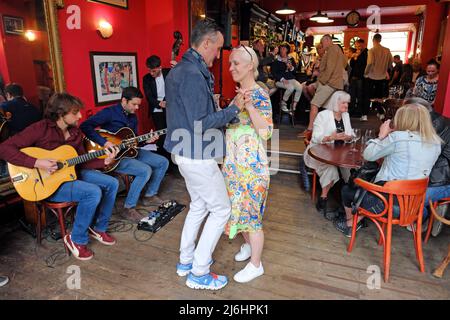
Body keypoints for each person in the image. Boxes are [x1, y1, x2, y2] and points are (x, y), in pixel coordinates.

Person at [164, 19, 243, 290]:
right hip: (196, 154)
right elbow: (200, 123)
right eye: (218, 48)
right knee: (221, 210)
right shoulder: (191, 74)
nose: (219, 55)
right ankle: (199, 271)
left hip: (184, 153)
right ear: (206, 43)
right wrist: (232, 109)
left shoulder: (182, 69)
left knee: (199, 205)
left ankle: (186, 261)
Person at [0, 93, 120, 260]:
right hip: (47, 183)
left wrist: (105, 162)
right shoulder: (40, 128)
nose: (80, 115)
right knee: (92, 192)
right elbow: (4, 148)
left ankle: (98, 228)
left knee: (112, 183)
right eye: (75, 112)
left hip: (72, 174)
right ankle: (76, 238)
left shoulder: (75, 133)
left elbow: (82, 162)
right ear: (60, 113)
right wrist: (36, 162)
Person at [334, 104, 442, 237]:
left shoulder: (398, 138)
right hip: (413, 206)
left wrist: (381, 135)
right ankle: (356, 220)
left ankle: (351, 225)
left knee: (347, 190)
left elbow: (368, 155)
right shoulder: (435, 142)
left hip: (387, 204)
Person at [80, 87, 169, 222]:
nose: (137, 108)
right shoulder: (109, 113)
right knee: (145, 170)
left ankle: (149, 195)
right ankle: (128, 208)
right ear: (124, 101)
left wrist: (146, 140)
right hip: (114, 157)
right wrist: (104, 143)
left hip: (130, 152)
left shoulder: (132, 117)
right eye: (134, 104)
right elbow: (85, 126)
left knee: (163, 162)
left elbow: (134, 141)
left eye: (138, 104)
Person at [224, 45, 273, 283]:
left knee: (251, 217)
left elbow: (265, 133)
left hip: (252, 169)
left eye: (236, 63)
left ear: (250, 66)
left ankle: (256, 264)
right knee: (238, 211)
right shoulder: (238, 92)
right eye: (230, 63)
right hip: (234, 166)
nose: (231, 67)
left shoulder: (260, 95)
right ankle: (247, 248)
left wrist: (251, 106)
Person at [404, 97, 450, 236]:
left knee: (411, 198)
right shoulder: (429, 120)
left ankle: (425, 214)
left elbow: (422, 156)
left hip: (442, 178)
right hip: (432, 173)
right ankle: (425, 210)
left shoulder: (434, 126)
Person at [303, 91, 353, 216]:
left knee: (349, 169)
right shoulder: (323, 115)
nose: (346, 105)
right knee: (331, 169)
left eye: (347, 103)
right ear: (336, 103)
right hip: (319, 152)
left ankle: (348, 200)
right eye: (343, 103)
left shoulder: (345, 115)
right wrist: (331, 137)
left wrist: (348, 137)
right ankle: (323, 197)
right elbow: (315, 138)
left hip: (339, 152)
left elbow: (351, 133)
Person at [303, 35, 347, 134]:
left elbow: (330, 68)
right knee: (328, 107)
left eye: (322, 42)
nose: (322, 45)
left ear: (327, 40)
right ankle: (323, 129)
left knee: (314, 104)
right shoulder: (338, 50)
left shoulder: (331, 49)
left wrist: (322, 81)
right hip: (336, 83)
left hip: (329, 83)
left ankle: (310, 130)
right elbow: (344, 64)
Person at [142, 55, 173, 170]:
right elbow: (148, 96)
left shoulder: (169, 72)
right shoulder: (146, 78)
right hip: (157, 109)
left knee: (172, 134)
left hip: (170, 108)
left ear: (160, 67)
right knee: (162, 135)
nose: (151, 73)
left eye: (153, 71)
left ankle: (172, 161)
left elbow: (176, 88)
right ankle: (164, 162)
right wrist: (159, 103)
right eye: (149, 70)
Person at [362, 33, 393, 121]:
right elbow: (391, 63)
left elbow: (370, 63)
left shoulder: (371, 50)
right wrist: (387, 70)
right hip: (382, 77)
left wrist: (366, 73)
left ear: (373, 40)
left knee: (367, 96)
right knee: (379, 97)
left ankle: (364, 115)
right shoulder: (387, 50)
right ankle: (381, 113)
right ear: (380, 40)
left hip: (371, 76)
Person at [271, 42, 304, 113]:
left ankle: (294, 105)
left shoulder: (290, 59)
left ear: (287, 50)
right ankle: (283, 103)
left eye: (284, 49)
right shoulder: (276, 59)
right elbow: (273, 73)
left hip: (290, 79)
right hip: (279, 80)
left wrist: (291, 67)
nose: (282, 50)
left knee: (300, 87)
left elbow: (294, 70)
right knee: (291, 88)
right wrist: (282, 79)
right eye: (281, 49)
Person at [349, 39, 368, 117]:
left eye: (359, 46)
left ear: (363, 44)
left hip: (361, 77)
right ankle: (352, 110)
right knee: (352, 95)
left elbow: (364, 64)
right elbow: (352, 65)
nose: (357, 47)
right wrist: (354, 58)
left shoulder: (366, 53)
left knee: (360, 95)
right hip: (353, 77)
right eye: (356, 46)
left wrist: (358, 57)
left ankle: (359, 111)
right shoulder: (356, 53)